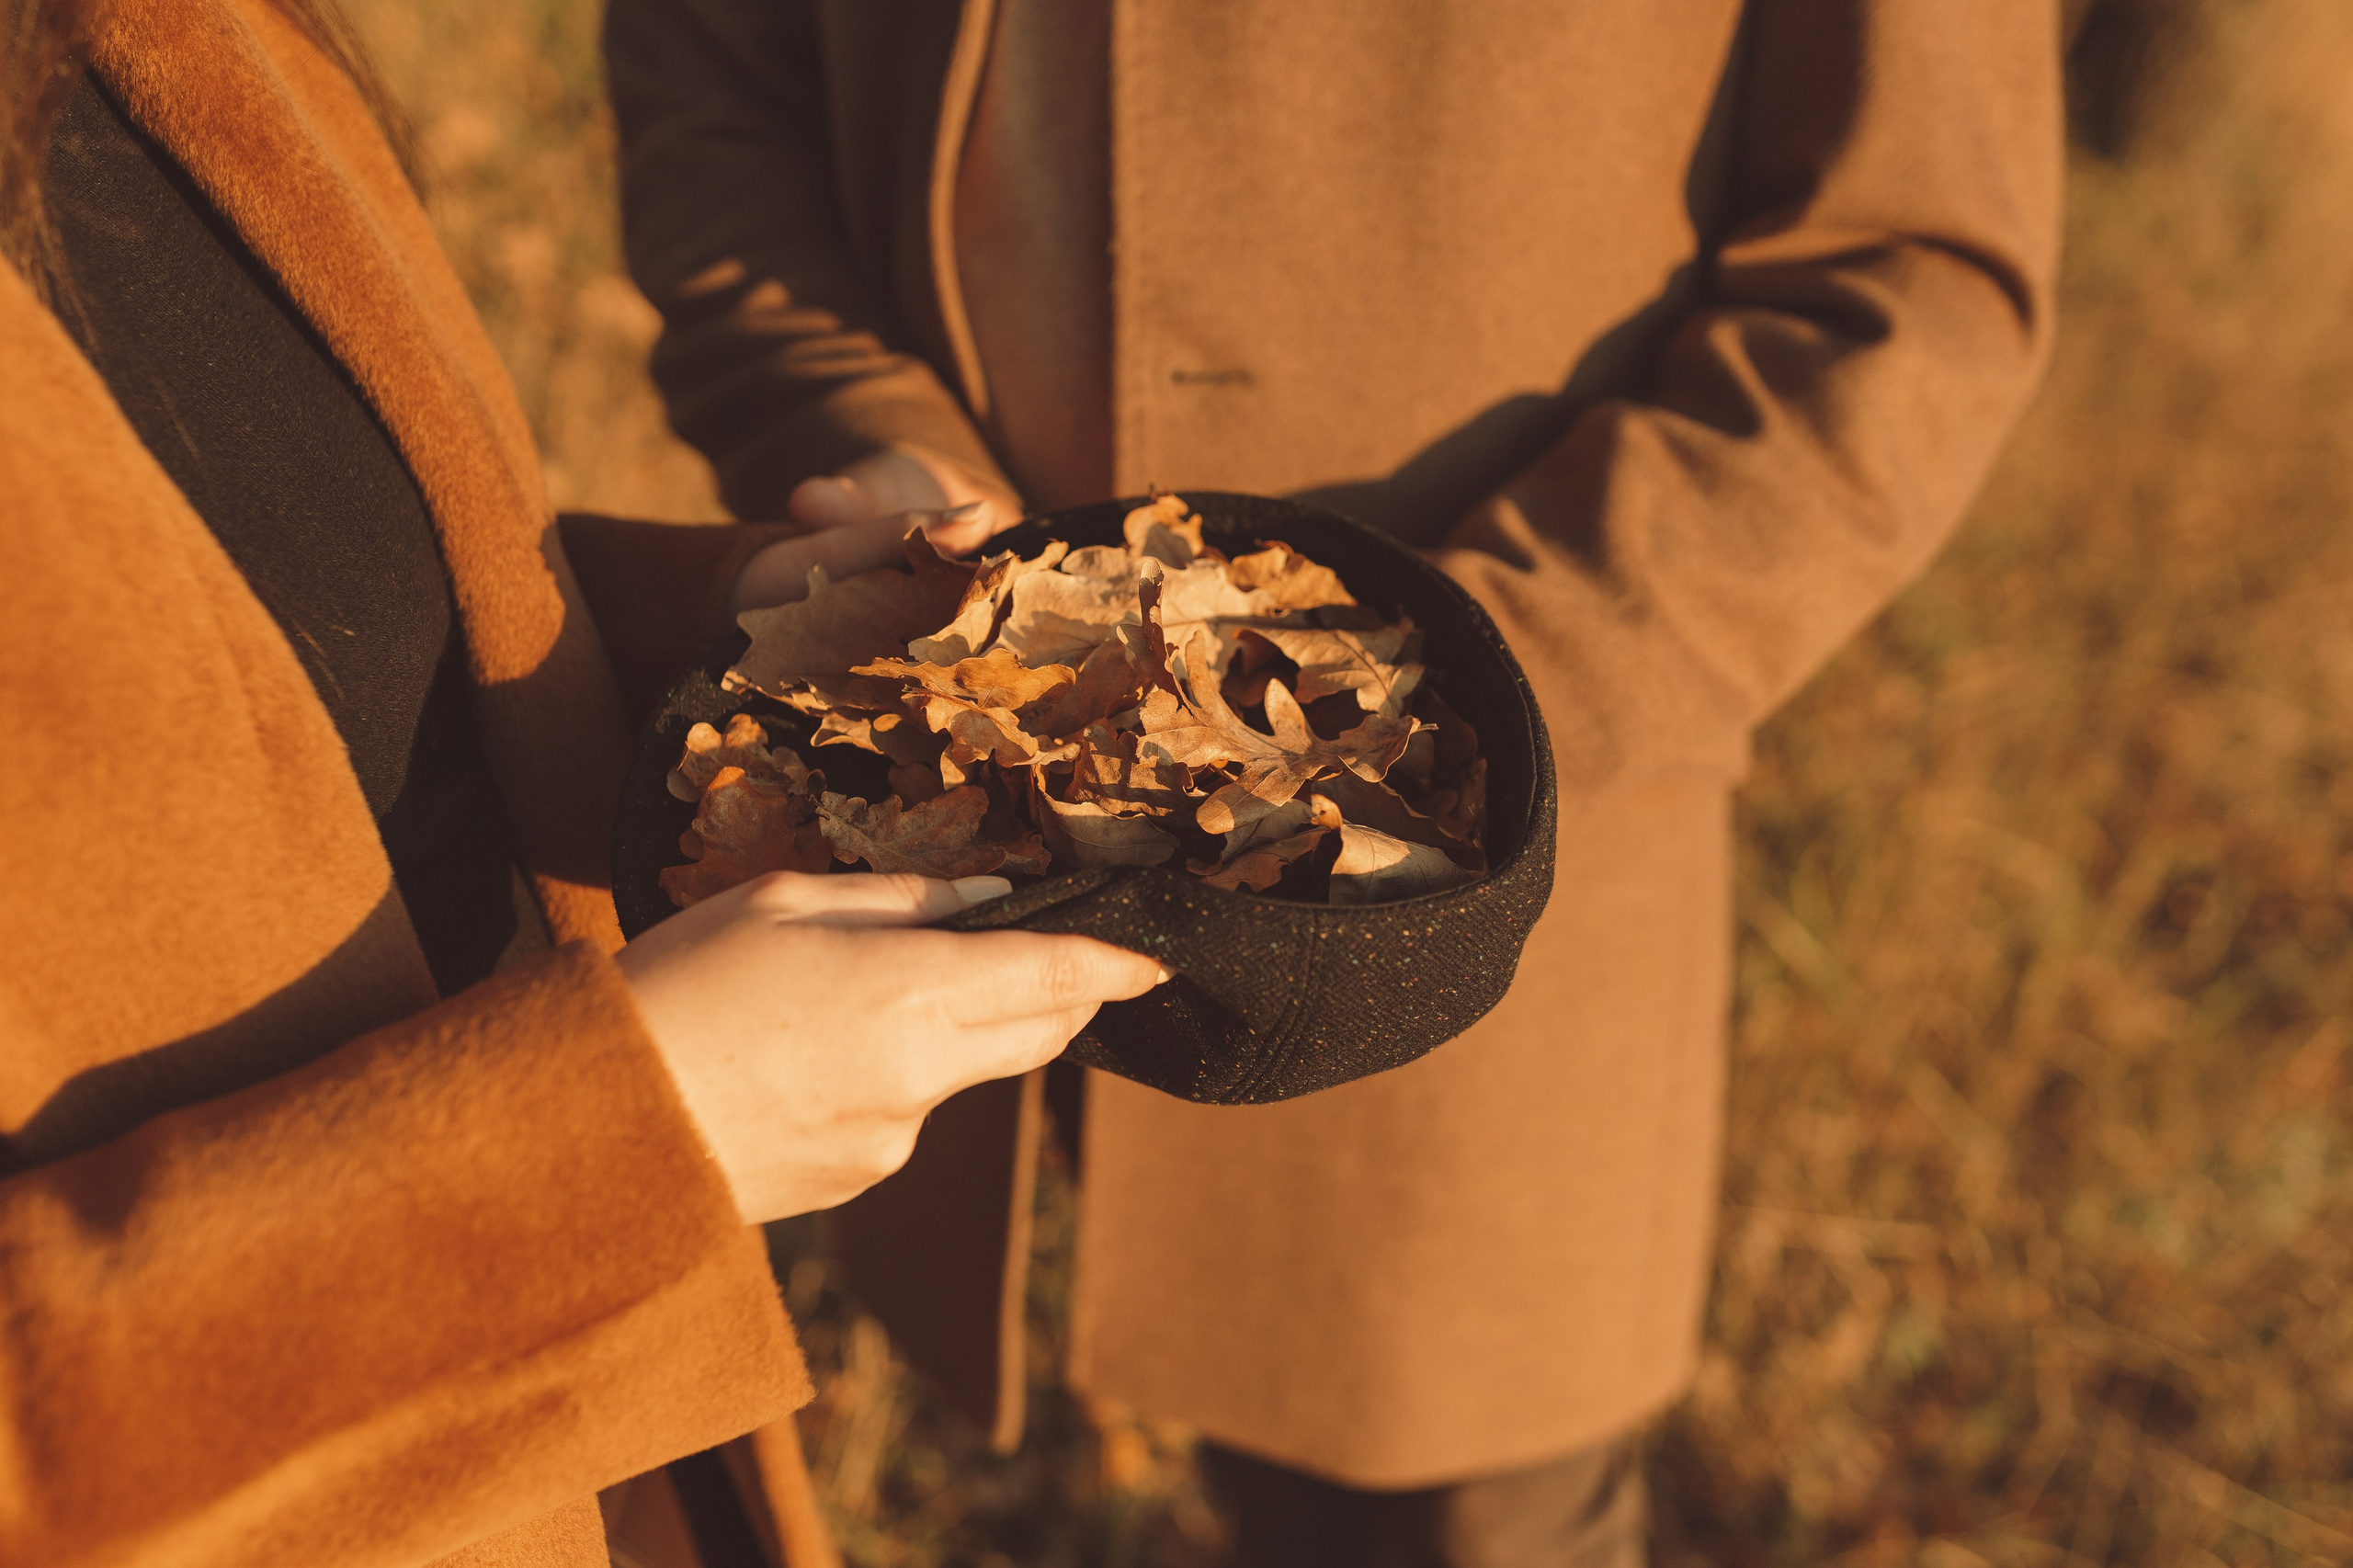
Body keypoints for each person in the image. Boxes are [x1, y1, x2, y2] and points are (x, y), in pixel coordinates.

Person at [604, 2, 2065, 1562]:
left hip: (1476, 939)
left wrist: (1457, 701)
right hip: (956, 802)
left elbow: (1907, 277)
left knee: (1452, 1512)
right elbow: (716, 80)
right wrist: (868, 449)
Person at [0, 1, 1167, 1564]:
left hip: (586, 1436)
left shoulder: (132, 34)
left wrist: (751, 633)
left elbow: (257, 633)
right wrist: (612, 1148)